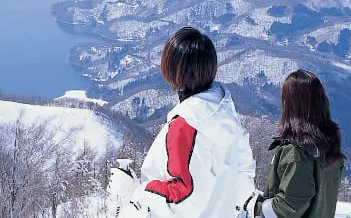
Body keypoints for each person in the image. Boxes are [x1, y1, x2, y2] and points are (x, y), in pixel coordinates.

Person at [108, 26, 256, 217]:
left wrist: (136, 193)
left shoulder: (186, 125)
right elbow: (242, 176)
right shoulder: (225, 115)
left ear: (175, 71)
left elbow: (184, 196)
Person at [252, 70, 345, 218]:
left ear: (290, 105)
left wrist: (254, 207)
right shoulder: (329, 146)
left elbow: (289, 206)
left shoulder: (296, 152)